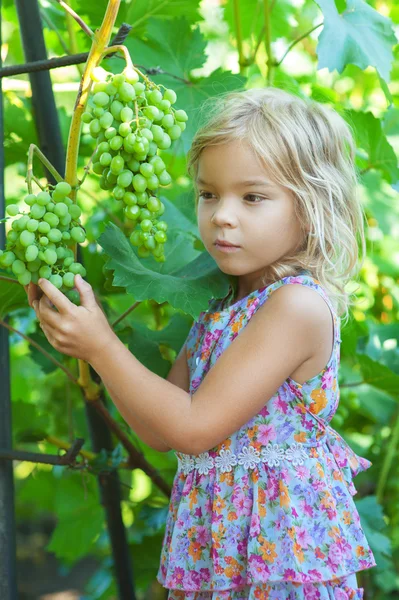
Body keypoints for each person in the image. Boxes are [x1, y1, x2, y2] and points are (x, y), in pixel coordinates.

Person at [26, 87, 377, 599]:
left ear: (310, 207)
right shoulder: (220, 305)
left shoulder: (294, 307)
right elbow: (160, 430)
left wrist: (103, 347)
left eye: (252, 197)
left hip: (278, 559)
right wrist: (89, 343)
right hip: (219, 549)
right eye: (209, 194)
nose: (221, 215)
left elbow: (194, 428)